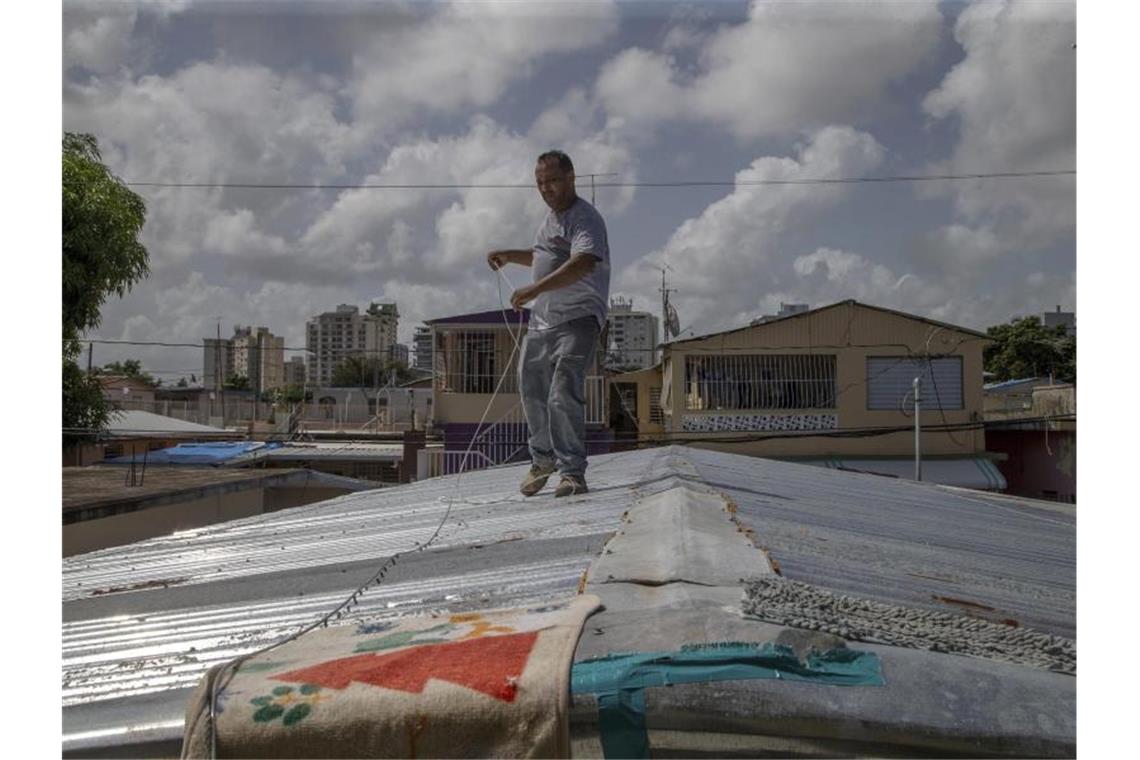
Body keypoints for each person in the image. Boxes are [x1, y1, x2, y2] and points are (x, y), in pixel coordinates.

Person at [486, 150, 610, 498]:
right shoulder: (548, 220)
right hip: (543, 322)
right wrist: (510, 256)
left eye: (552, 181)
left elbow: (583, 262)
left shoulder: (585, 218)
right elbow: (543, 256)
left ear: (571, 178)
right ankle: (542, 461)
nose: (546, 189)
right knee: (532, 391)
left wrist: (534, 289)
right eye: (540, 183)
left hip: (578, 318)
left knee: (561, 392)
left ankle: (572, 473)